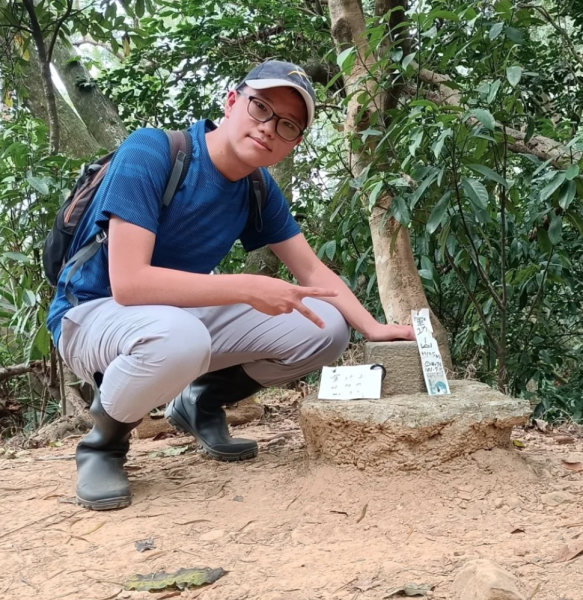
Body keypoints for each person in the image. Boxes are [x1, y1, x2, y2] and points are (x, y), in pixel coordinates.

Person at [46, 59, 415, 511]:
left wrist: (373, 328)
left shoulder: (255, 189)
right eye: (260, 108)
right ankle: (103, 445)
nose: (268, 129)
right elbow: (128, 283)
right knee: (180, 338)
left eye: (287, 126)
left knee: (326, 328)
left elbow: (314, 273)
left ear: (293, 144)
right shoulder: (154, 151)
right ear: (232, 101)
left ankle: (201, 401)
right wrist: (243, 287)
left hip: (174, 318)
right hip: (90, 315)